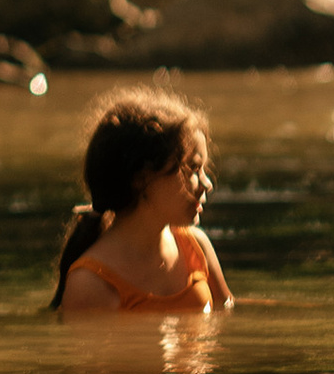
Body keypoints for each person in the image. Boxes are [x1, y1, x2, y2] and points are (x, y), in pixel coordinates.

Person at [50, 86, 234, 318]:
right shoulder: (90, 285)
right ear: (142, 178)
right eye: (193, 169)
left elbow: (227, 324)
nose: (207, 184)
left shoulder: (196, 248)